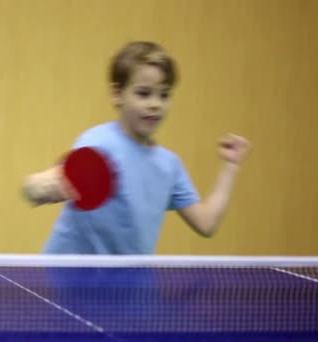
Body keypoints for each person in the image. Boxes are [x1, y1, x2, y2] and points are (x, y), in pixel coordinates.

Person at [22, 41, 251, 254]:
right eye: (143, 93)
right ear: (117, 94)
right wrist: (41, 186)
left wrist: (230, 166)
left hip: (129, 288)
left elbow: (206, 223)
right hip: (69, 282)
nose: (155, 104)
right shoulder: (98, 143)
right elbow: (39, 187)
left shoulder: (169, 165)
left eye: (164, 95)